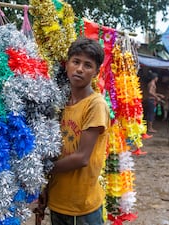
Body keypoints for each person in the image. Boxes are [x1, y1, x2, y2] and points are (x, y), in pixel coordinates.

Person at [35, 37, 110, 225]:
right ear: (67, 64)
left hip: (82, 207)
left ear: (96, 72)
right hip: (58, 201)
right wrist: (45, 188)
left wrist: (41, 170)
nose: (80, 69)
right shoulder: (60, 103)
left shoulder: (95, 105)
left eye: (87, 65)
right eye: (76, 62)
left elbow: (82, 158)